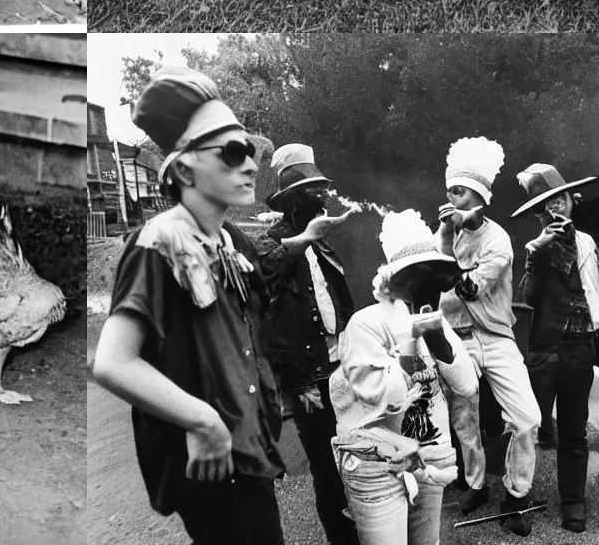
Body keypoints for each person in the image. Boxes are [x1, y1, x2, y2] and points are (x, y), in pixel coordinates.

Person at [93, 66, 289, 545]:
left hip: (248, 453)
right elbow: (113, 363)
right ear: (182, 169)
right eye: (233, 152)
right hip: (216, 468)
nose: (251, 165)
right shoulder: (159, 241)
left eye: (253, 151)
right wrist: (203, 421)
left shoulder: (228, 239)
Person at [329, 209, 477, 545]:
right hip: (376, 463)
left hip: (428, 454)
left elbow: (467, 385)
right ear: (393, 280)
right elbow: (391, 399)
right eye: (417, 275)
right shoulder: (365, 323)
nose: (427, 286)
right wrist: (412, 337)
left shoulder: (435, 322)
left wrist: (436, 335)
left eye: (434, 275)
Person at [248, 143, 360, 545]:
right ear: (291, 201)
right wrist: (298, 386)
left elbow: (339, 305)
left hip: (341, 366)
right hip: (308, 378)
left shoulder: (323, 242)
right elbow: (271, 315)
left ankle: (365, 525)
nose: (320, 199)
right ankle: (341, 538)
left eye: (320, 190)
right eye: (310, 191)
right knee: (326, 466)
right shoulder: (269, 244)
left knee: (356, 454)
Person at [436, 136, 541, 536]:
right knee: (464, 416)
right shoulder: (445, 234)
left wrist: (448, 245)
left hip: (496, 337)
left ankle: (517, 494)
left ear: (477, 197)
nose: (452, 198)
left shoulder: (498, 240)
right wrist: (446, 237)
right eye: (449, 191)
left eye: (459, 192)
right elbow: (432, 277)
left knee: (526, 417)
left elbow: (467, 288)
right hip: (458, 338)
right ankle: (475, 483)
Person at [512, 163, 599, 534]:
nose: (555, 211)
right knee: (527, 425)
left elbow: (593, 291)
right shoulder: (537, 248)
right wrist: (537, 251)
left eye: (559, 201)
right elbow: (526, 297)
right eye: (546, 207)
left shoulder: (588, 243)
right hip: (545, 349)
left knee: (574, 430)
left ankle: (573, 502)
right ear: (538, 214)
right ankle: (516, 499)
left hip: (580, 346)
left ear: (571, 199)